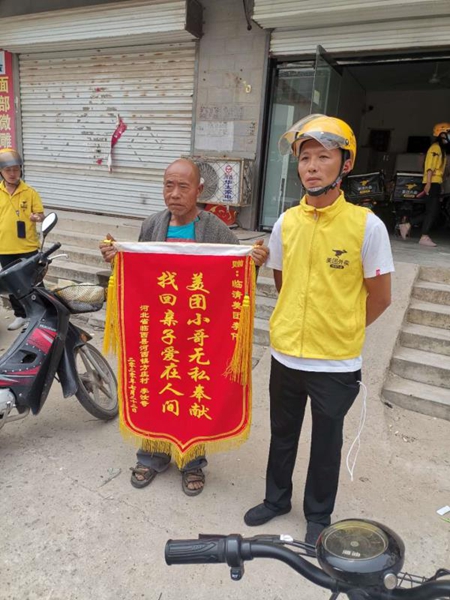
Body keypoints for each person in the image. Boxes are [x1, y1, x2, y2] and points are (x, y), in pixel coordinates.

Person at [243, 114, 394, 547]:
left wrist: (342, 328)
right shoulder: (286, 222)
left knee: (326, 443)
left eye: (323, 157)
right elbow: (283, 281)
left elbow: (381, 297)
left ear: (345, 163)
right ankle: (276, 500)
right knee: (282, 434)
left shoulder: (367, 226)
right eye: (305, 158)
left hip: (335, 361)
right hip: (286, 354)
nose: (311, 166)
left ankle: (318, 514)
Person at [100, 158, 268, 495]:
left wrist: (254, 263)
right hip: (160, 328)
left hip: (198, 331)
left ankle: (192, 462)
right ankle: (152, 455)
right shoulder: (152, 225)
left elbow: (236, 275)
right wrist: (117, 258)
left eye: (183, 186)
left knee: (195, 391)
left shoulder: (216, 230)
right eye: (169, 185)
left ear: (199, 190)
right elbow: (138, 273)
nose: (174, 194)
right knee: (155, 387)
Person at [0, 148, 44, 331]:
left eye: (16, 169)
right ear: (1, 171)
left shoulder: (30, 192)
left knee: (35, 283)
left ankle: (41, 315)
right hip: (4, 248)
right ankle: (21, 315)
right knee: (12, 285)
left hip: (28, 247)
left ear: (21, 170)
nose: (12, 173)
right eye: (8, 170)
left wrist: (37, 217)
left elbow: (41, 215)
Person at [399, 122, 450, 247]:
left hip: (435, 183)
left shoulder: (441, 150)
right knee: (432, 211)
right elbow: (430, 168)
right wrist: (428, 184)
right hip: (431, 183)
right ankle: (423, 235)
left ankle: (408, 225)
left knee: (433, 211)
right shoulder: (435, 148)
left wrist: (440, 186)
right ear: (441, 133)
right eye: (448, 133)